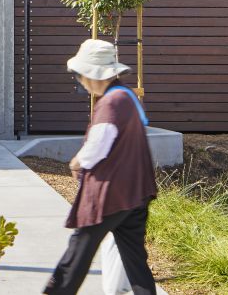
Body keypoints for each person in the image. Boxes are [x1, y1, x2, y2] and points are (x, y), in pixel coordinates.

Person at [44, 39, 158, 295]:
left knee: (78, 251)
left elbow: (98, 146)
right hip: (136, 192)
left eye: (80, 76)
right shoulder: (126, 96)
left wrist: (76, 162)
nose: (80, 82)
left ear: (91, 74)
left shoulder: (111, 103)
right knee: (135, 260)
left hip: (110, 195)